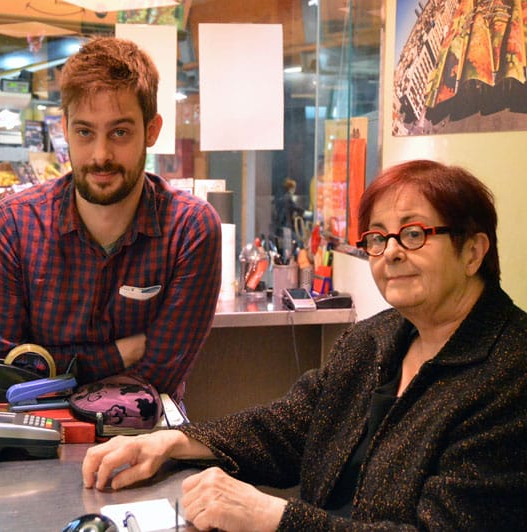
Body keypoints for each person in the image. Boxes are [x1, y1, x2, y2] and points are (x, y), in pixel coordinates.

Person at [81, 159, 527, 530]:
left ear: (473, 252)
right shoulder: (377, 337)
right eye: (377, 237)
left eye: (414, 234)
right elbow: (292, 426)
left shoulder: (511, 373)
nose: (391, 252)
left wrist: (273, 516)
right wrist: (172, 442)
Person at [0, 36, 222, 402]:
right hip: (35, 439)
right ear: (65, 128)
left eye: (120, 132)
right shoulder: (12, 227)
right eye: (85, 132)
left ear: (151, 130)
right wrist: (122, 353)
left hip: (144, 442)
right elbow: (0, 376)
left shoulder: (190, 230)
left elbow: (159, 377)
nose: (100, 155)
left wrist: (50, 369)